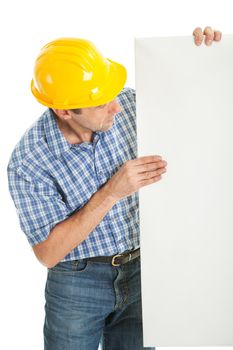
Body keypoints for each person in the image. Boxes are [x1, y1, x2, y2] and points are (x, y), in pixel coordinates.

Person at [7, 26, 221, 350]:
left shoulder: (130, 105)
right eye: (100, 103)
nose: (116, 107)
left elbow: (199, 109)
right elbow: (48, 253)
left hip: (144, 271)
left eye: (112, 94)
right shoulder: (30, 160)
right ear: (64, 110)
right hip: (77, 282)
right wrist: (112, 192)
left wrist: (202, 55)